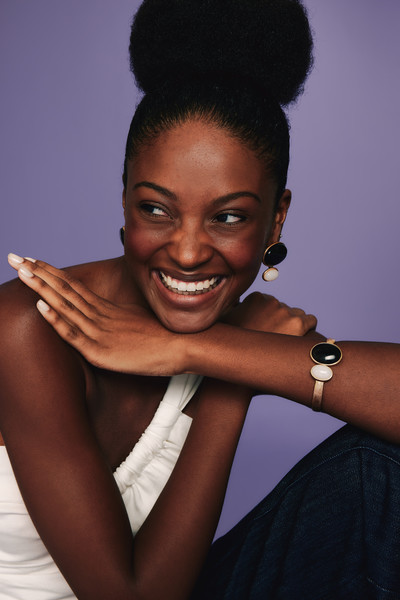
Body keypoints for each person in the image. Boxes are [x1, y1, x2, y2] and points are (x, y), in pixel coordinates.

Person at [1, 1, 400, 598]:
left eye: (228, 217)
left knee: (381, 468)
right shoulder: (30, 327)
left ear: (276, 219)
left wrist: (210, 351)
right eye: (156, 209)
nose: (187, 254)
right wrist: (228, 387)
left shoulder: (239, 331)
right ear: (125, 199)